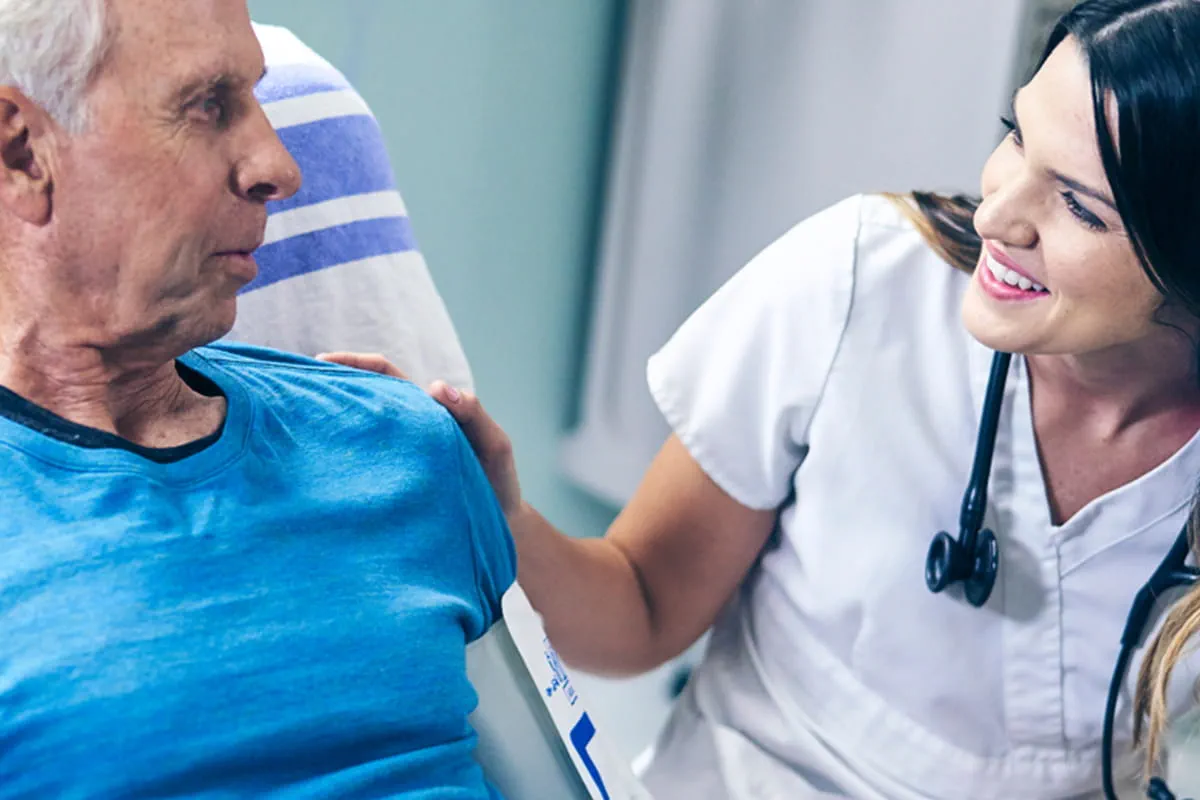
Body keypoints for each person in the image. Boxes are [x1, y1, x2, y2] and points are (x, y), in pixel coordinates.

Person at [328, 0, 1200, 796]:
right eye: (1016, 137)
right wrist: (500, 515)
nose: (999, 216)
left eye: (1081, 207)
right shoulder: (859, 285)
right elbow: (640, 607)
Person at [0, 0, 514, 797]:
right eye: (208, 105)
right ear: (21, 149)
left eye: (258, 100)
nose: (279, 166)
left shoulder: (402, 445)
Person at [229, 22, 474, 392]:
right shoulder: (296, 78)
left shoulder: (295, 87)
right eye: (206, 106)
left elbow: (416, 421)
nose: (286, 174)